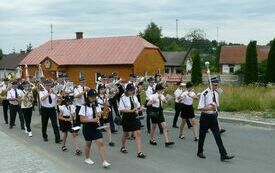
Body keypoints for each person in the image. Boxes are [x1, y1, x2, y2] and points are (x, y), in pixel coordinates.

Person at [197, 77, 234, 161]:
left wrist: (215, 109)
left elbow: (216, 106)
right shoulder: (204, 93)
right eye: (214, 85)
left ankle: (223, 155)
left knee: (218, 136)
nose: (216, 87)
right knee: (202, 136)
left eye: (217, 85)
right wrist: (210, 109)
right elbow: (200, 108)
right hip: (205, 117)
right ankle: (199, 152)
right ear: (210, 84)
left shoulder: (216, 93)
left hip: (213, 117)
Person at [79, 89, 111, 168]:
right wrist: (92, 120)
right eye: (92, 97)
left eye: (95, 97)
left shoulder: (98, 105)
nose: (94, 98)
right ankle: (87, 158)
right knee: (88, 144)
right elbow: (82, 119)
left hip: (96, 126)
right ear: (88, 97)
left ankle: (104, 161)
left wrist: (101, 113)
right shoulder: (84, 106)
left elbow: (99, 115)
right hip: (87, 127)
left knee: (100, 142)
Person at [119, 84, 146, 159]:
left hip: (134, 116)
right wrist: (131, 110)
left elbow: (138, 106)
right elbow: (121, 109)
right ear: (127, 90)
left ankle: (139, 152)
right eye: (130, 90)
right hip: (127, 116)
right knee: (126, 134)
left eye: (133, 90)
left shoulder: (134, 96)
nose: (132, 91)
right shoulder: (123, 97)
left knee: (138, 133)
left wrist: (139, 108)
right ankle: (122, 146)